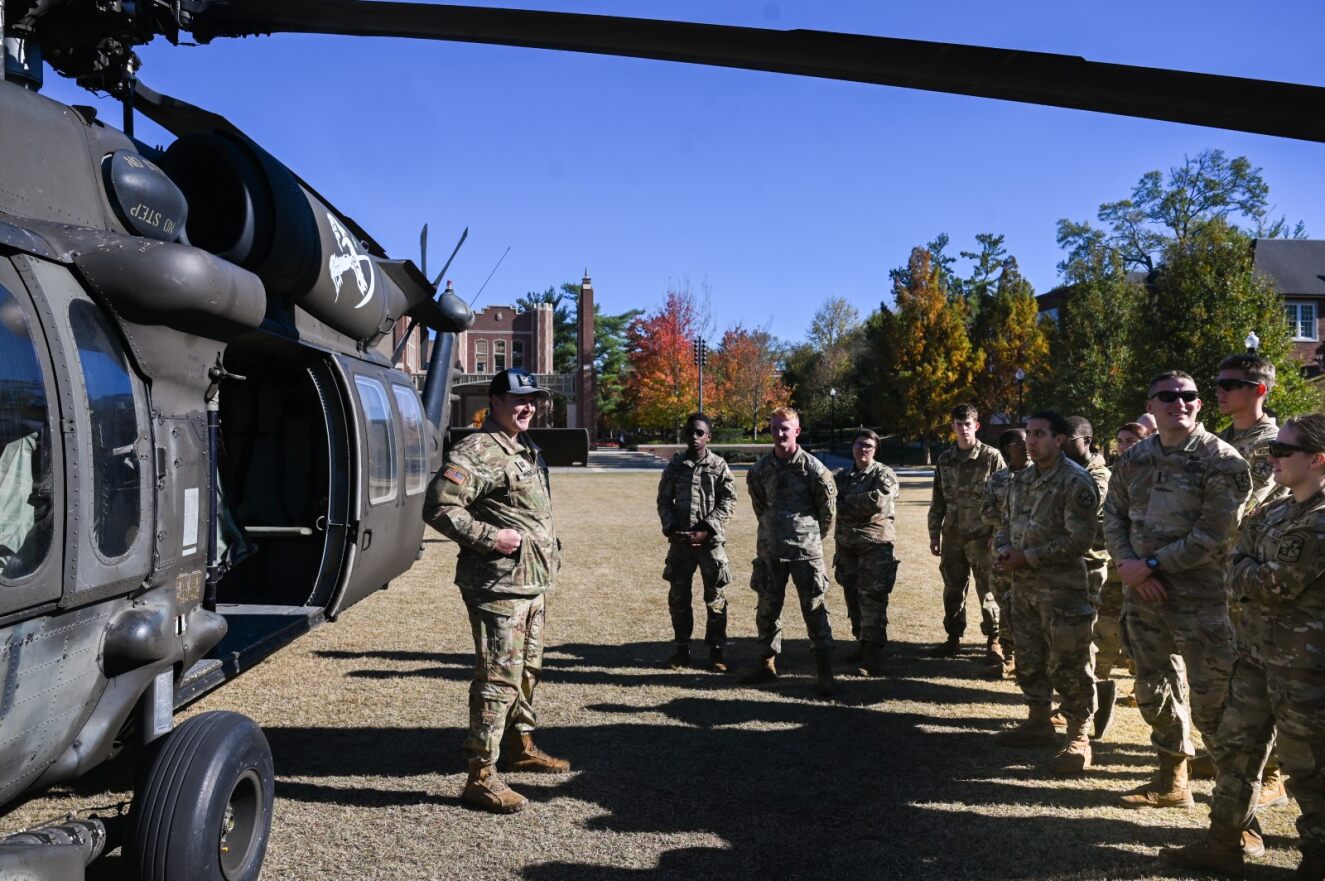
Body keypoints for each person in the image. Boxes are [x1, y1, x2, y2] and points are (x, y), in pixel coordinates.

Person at [1158, 414, 1325, 880]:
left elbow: (1275, 584)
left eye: (1283, 451)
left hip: (1306, 669)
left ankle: (1317, 860)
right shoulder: (1276, 511)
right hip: (1255, 656)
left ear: (1318, 458)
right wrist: (1247, 570)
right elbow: (1233, 559)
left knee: (1309, 769)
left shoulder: (1320, 520)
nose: (1272, 458)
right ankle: (1223, 843)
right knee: (1234, 752)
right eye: (1272, 449)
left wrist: (1245, 571)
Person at [423, 369, 569, 814]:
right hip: (498, 585)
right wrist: (491, 538)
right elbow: (439, 506)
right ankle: (480, 775)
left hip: (529, 582)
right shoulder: (477, 450)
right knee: (498, 677)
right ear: (496, 401)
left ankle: (519, 745)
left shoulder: (522, 445)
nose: (528, 407)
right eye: (519, 399)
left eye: (533, 400)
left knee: (527, 670)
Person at [1102, 371, 1249, 809]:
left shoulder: (1222, 461)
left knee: (1214, 701)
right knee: (1153, 688)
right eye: (1167, 396)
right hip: (1143, 595)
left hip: (1201, 599)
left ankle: (1237, 811)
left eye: (1189, 396)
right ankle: (1173, 781)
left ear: (1199, 404)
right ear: (1151, 405)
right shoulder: (1135, 457)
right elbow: (1114, 516)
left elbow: (1215, 536)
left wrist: (1150, 566)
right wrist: (1132, 568)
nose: (1178, 403)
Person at [993, 411, 1100, 775]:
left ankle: (1079, 737)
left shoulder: (1076, 481)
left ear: (1059, 440)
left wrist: (1028, 557)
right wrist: (1004, 548)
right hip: (1023, 589)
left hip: (1062, 592)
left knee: (1069, 664)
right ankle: (1038, 721)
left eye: (1039, 434)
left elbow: (1080, 540)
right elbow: (1005, 524)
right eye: (1028, 434)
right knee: (1030, 658)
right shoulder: (1021, 480)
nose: (1030, 441)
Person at [1215, 352, 1293, 810]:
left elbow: (1241, 506)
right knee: (1231, 669)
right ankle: (1241, 759)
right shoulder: (1222, 440)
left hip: (1259, 570)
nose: (1220, 391)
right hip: (1224, 569)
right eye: (1219, 383)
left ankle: (1275, 773)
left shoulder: (1271, 445)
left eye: (1231, 384)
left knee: (1268, 674)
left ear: (1259, 390)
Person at [741, 407, 838, 696]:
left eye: (785, 428)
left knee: (815, 610)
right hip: (771, 551)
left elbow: (827, 513)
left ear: (797, 431)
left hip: (805, 553)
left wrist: (809, 537)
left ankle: (824, 671)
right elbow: (760, 507)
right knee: (767, 609)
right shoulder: (760, 470)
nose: (780, 433)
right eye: (775, 428)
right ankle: (766, 664)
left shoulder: (814, 470)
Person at [656, 412, 737, 672]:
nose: (694, 436)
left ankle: (716, 652)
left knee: (715, 598)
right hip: (680, 544)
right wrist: (671, 528)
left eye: (699, 432)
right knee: (679, 598)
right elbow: (664, 500)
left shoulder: (719, 466)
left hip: (710, 544)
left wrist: (707, 529)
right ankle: (681, 650)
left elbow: (728, 501)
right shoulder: (675, 466)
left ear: (708, 436)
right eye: (690, 432)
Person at [928, 403, 1005, 658]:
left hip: (983, 537)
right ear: (953, 427)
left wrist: (997, 533)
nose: (963, 429)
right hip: (952, 536)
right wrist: (934, 533)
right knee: (952, 588)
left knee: (988, 589)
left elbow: (1004, 499)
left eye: (968, 424)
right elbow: (938, 499)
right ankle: (953, 637)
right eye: (959, 424)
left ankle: (994, 639)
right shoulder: (945, 459)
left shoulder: (991, 457)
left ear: (977, 425)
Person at [1063, 416, 1119, 733]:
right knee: (1066, 637)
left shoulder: (1098, 475)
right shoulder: (1065, 470)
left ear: (1086, 439)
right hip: (1066, 562)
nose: (1061, 443)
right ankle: (1080, 699)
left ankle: (1092, 701)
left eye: (1068, 438)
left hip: (1090, 563)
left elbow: (1082, 515)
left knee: (1082, 635)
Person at [833, 429, 901, 677]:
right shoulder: (842, 476)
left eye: (868, 446)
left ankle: (872, 652)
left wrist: (845, 501)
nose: (863, 449)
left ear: (875, 450)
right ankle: (861, 642)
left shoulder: (884, 474)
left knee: (872, 598)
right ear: (852, 446)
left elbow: (878, 502)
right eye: (859, 444)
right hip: (846, 546)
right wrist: (852, 501)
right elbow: (828, 500)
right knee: (852, 596)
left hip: (875, 546)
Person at [980, 429, 1027, 679]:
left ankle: (1029, 660)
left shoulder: (1040, 475)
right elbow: (986, 511)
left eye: (1028, 440)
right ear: (1008, 448)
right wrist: (1008, 524)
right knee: (1005, 605)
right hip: (1003, 550)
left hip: (1030, 551)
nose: (1026, 445)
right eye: (1018, 442)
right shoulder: (998, 479)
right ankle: (1009, 657)